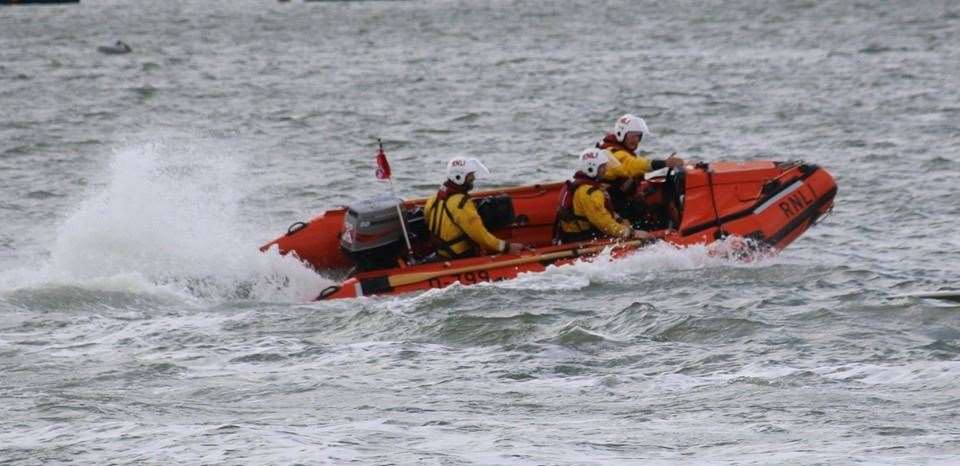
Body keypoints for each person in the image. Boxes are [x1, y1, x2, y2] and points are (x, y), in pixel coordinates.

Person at [424, 157, 525, 258]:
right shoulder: (461, 204)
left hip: (441, 252)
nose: (473, 179)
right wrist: (506, 247)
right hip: (459, 256)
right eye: (470, 176)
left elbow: (429, 222)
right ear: (459, 177)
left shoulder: (433, 199)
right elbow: (480, 236)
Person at [555, 148, 653, 244]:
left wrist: (620, 220)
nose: (606, 170)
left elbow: (603, 213)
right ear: (591, 168)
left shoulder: (581, 184)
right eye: (602, 167)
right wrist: (632, 233)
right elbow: (604, 224)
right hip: (582, 238)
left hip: (574, 235)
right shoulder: (590, 193)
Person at [598, 114, 684, 183]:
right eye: (633, 136)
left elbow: (637, 162)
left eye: (639, 136)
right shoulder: (613, 152)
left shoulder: (617, 147)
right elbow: (632, 164)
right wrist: (664, 163)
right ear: (621, 134)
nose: (636, 140)